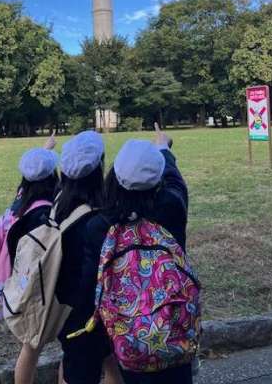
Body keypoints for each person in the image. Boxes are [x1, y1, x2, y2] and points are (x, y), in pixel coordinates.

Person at [74, 124, 194, 384]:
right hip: (173, 330)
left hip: (127, 339)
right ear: (158, 180)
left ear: (115, 177)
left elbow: (89, 286)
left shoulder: (99, 226)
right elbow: (175, 181)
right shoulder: (172, 208)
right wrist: (163, 148)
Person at [0, 134, 58, 384]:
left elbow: (35, 172)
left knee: (29, 348)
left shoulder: (21, 202)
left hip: (18, 285)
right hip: (38, 290)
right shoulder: (44, 213)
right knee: (35, 346)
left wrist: (46, 148)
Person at [55, 130, 122, 384]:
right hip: (93, 315)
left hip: (66, 311)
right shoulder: (100, 218)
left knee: (73, 365)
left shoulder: (58, 205)